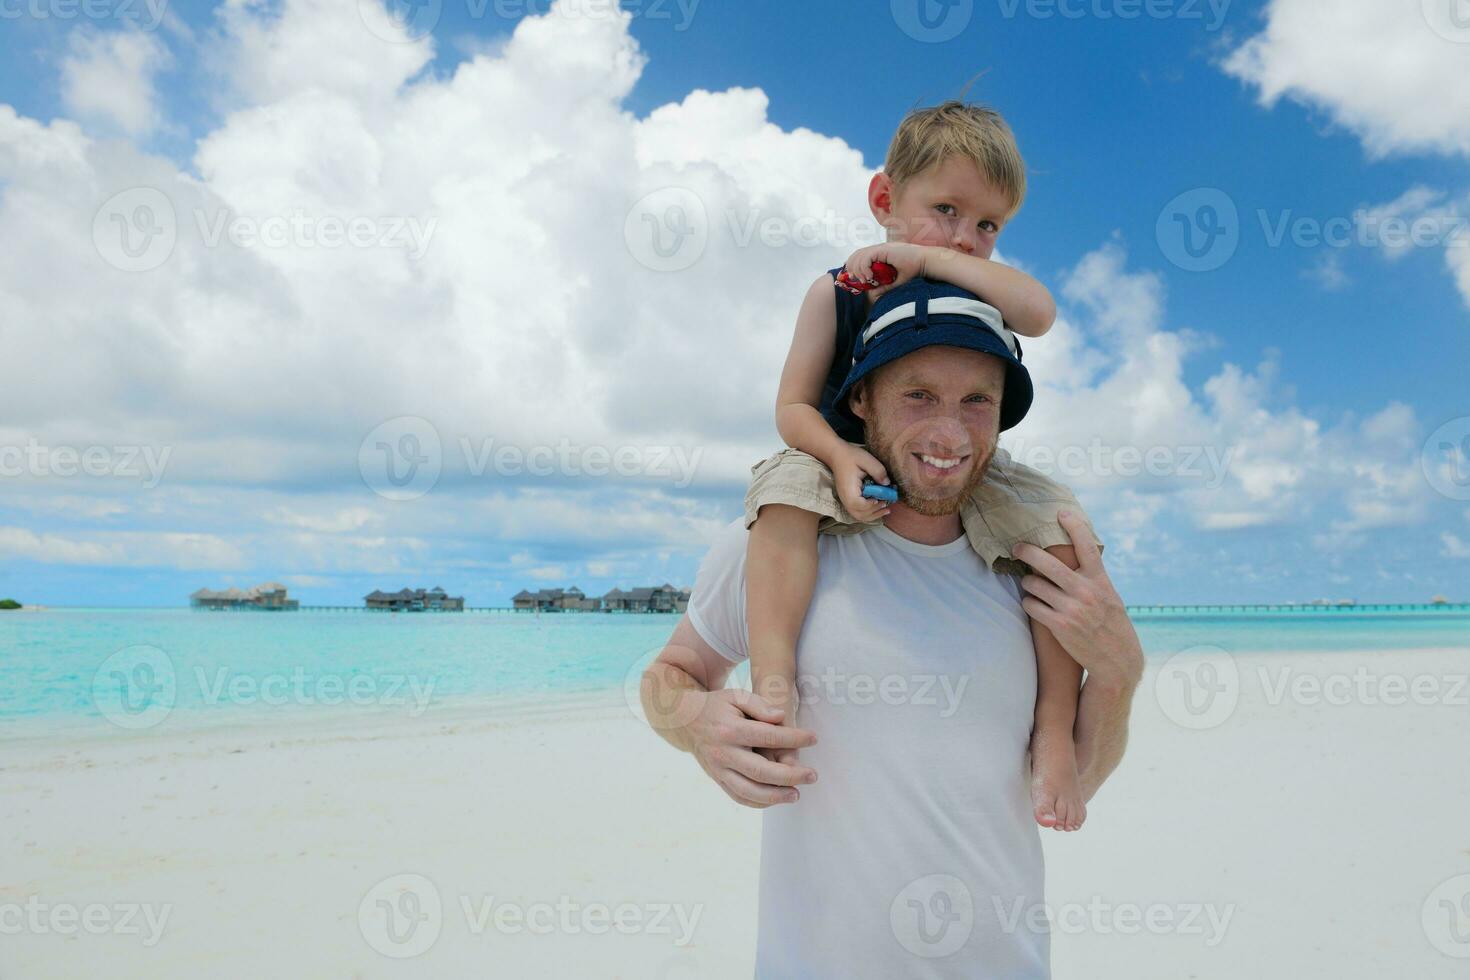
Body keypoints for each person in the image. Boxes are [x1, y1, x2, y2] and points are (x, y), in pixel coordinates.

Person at [641, 278, 1143, 976]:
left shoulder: (1035, 564)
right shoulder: (778, 543)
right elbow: (668, 679)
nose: (949, 431)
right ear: (859, 398)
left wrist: (1121, 671)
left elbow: (1074, 785)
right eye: (918, 395)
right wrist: (695, 721)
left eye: (978, 401)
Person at [745, 100, 1101, 830]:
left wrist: (933, 258)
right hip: (845, 446)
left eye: (988, 225)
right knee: (780, 492)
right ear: (884, 200)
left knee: (1057, 526)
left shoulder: (973, 281)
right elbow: (792, 408)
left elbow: (1039, 313)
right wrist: (841, 454)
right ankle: (774, 680)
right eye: (945, 209)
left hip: (961, 461)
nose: (967, 239)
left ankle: (1055, 729)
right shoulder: (837, 293)